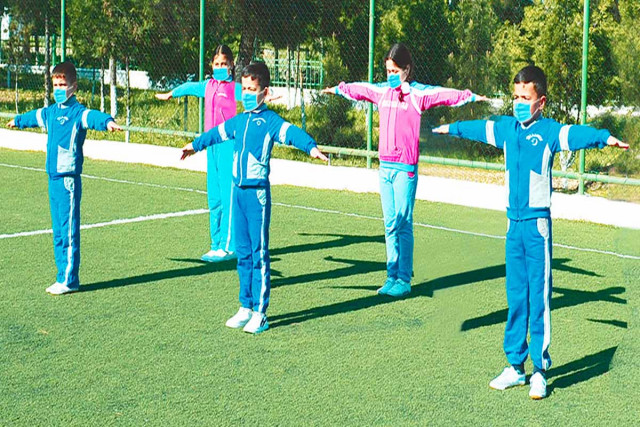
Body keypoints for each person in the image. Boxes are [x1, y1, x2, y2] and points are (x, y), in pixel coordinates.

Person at [432, 65, 629, 399]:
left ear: (541, 102)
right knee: (516, 297)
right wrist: (451, 128)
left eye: (525, 98)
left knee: (539, 298)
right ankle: (515, 367)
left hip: (538, 228)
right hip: (513, 226)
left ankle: (540, 370)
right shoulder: (507, 129)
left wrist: (603, 137)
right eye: (515, 97)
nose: (519, 103)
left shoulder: (549, 132)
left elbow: (576, 134)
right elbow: (479, 127)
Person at [322, 43, 488, 298]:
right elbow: (359, 89)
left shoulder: (417, 95)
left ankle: (404, 279)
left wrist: (471, 96)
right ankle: (391, 277)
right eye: (388, 70)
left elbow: (444, 94)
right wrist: (337, 89)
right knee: (389, 224)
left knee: (403, 223)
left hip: (404, 169)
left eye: (395, 71)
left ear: (407, 70)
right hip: (385, 168)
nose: (391, 75)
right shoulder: (382, 92)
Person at [181, 62, 328, 334]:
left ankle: (260, 313)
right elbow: (217, 133)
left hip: (257, 196)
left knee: (259, 253)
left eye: (252, 89)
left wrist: (311, 147)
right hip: (237, 193)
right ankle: (245, 306)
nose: (247, 94)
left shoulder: (269, 121)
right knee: (243, 254)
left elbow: (291, 133)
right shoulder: (239, 120)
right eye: (245, 89)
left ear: (265, 92)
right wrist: (195, 145)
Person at [7, 61, 122, 295]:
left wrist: (108, 122)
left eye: (63, 85)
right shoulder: (51, 112)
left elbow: (93, 117)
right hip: (53, 178)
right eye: (56, 85)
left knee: (68, 230)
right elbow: (35, 116)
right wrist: (18, 121)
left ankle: (70, 280)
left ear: (73, 87)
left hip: (68, 179)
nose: (59, 89)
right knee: (58, 231)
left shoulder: (77, 113)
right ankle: (62, 276)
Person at [156, 45, 240, 263]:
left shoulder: (234, 88)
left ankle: (228, 247)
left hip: (228, 145)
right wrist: (171, 94)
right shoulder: (207, 86)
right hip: (211, 147)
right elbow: (189, 87)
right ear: (212, 65)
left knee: (228, 196)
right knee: (214, 197)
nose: (220, 67)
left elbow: (253, 92)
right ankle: (215, 245)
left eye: (224, 64)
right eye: (217, 63)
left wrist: (266, 96)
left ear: (231, 65)